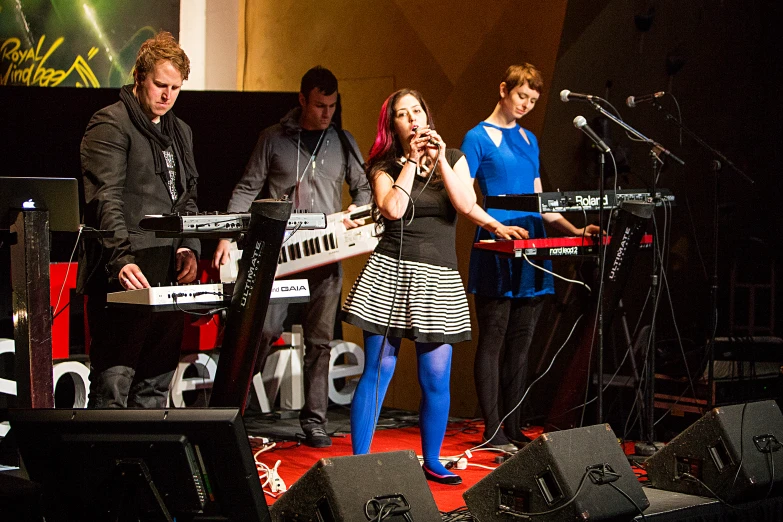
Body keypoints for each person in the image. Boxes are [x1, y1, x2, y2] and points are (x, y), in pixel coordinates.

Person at [213, 66, 371, 448]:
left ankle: (314, 421)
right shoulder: (273, 138)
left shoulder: (344, 141)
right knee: (262, 331)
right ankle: (233, 411)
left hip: (326, 257)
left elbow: (364, 188)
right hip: (280, 257)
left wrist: (358, 215)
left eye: (332, 106)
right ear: (302, 100)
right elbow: (247, 188)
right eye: (319, 105)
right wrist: (225, 237)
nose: (327, 113)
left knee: (319, 341)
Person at [461, 64, 600, 452]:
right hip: (498, 240)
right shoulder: (477, 137)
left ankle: (515, 425)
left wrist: (572, 230)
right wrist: (492, 226)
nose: (526, 104)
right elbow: (464, 195)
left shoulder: (530, 140)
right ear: (503, 89)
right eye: (522, 96)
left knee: (522, 342)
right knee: (494, 337)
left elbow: (542, 201)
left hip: (533, 244)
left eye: (533, 100)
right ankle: (492, 430)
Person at [342, 89, 476, 485]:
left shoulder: (454, 158)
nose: (413, 119)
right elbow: (393, 208)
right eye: (403, 114)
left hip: (438, 278)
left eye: (417, 110)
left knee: (435, 376)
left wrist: (439, 161)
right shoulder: (383, 166)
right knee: (379, 369)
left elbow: (466, 205)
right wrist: (413, 162)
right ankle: (359, 462)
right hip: (390, 272)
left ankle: (432, 459)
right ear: (393, 125)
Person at [78, 31, 200, 408]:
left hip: (167, 274)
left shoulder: (180, 131)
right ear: (139, 78)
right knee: (115, 382)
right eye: (160, 85)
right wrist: (122, 259)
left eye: (175, 88)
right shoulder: (111, 123)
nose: (167, 96)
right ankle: (102, 467)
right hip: (125, 271)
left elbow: (188, 198)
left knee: (156, 385)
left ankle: (144, 466)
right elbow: (104, 199)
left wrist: (189, 248)